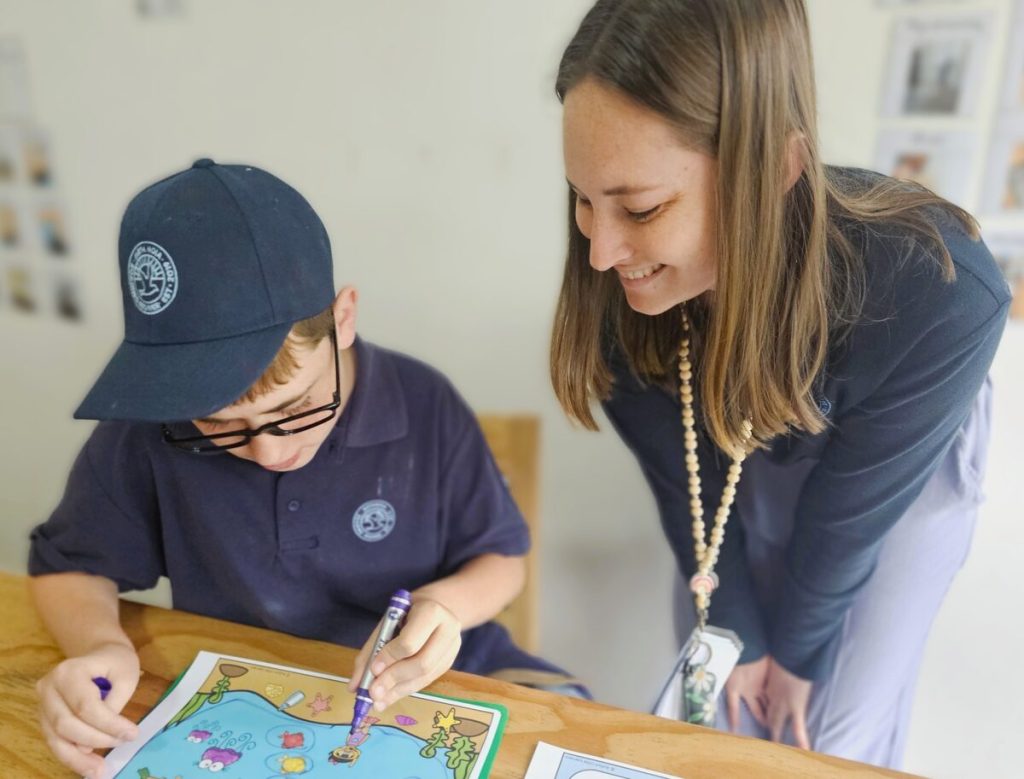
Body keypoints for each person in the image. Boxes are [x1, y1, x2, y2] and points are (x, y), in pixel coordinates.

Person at [549, 0, 1009, 769]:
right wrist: (742, 633)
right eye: (584, 200)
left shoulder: (938, 293)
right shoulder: (620, 290)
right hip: (728, 444)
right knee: (720, 700)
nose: (600, 252)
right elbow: (686, 492)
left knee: (827, 736)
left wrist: (796, 655)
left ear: (777, 169)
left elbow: (847, 519)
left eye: (640, 208)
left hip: (893, 470)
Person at [29, 159, 582, 779]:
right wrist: (99, 647)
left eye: (294, 410)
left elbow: (502, 558)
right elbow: (69, 566)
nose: (267, 452)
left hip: (454, 676)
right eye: (218, 428)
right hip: (251, 695)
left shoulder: (423, 403)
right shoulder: (152, 427)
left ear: (343, 319)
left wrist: (445, 606)